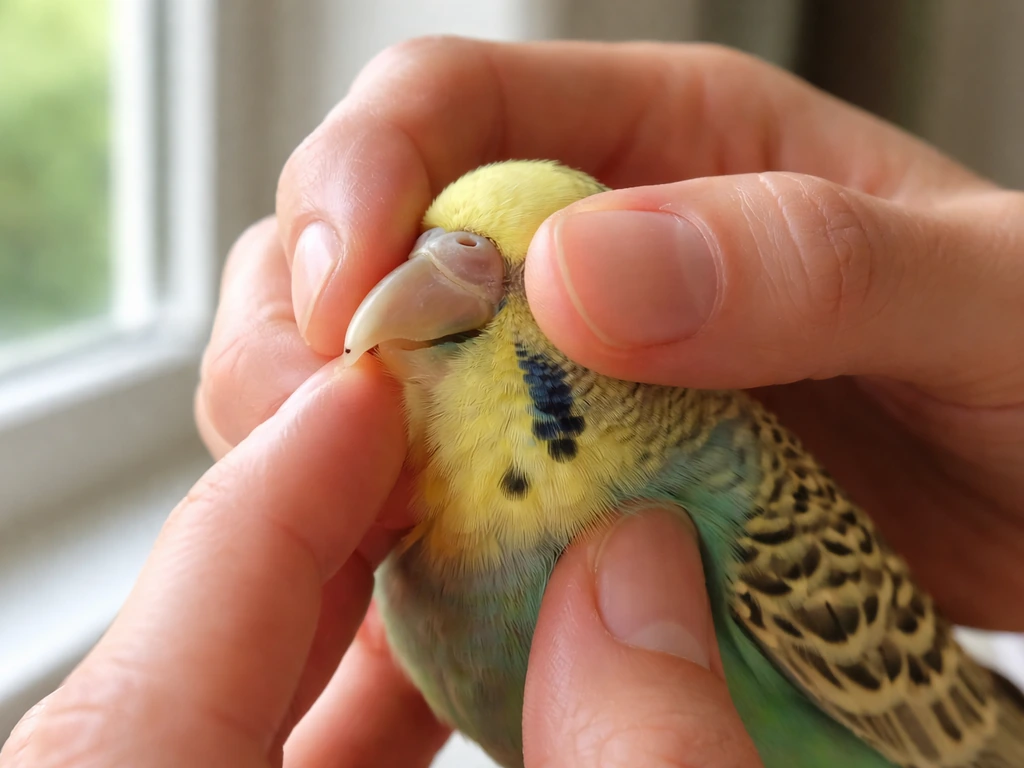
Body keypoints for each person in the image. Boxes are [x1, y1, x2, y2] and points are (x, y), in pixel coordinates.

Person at [4, 38, 1024, 768]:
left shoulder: (758, 528)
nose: (437, 286)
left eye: (519, 286)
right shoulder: (414, 584)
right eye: (431, 257)